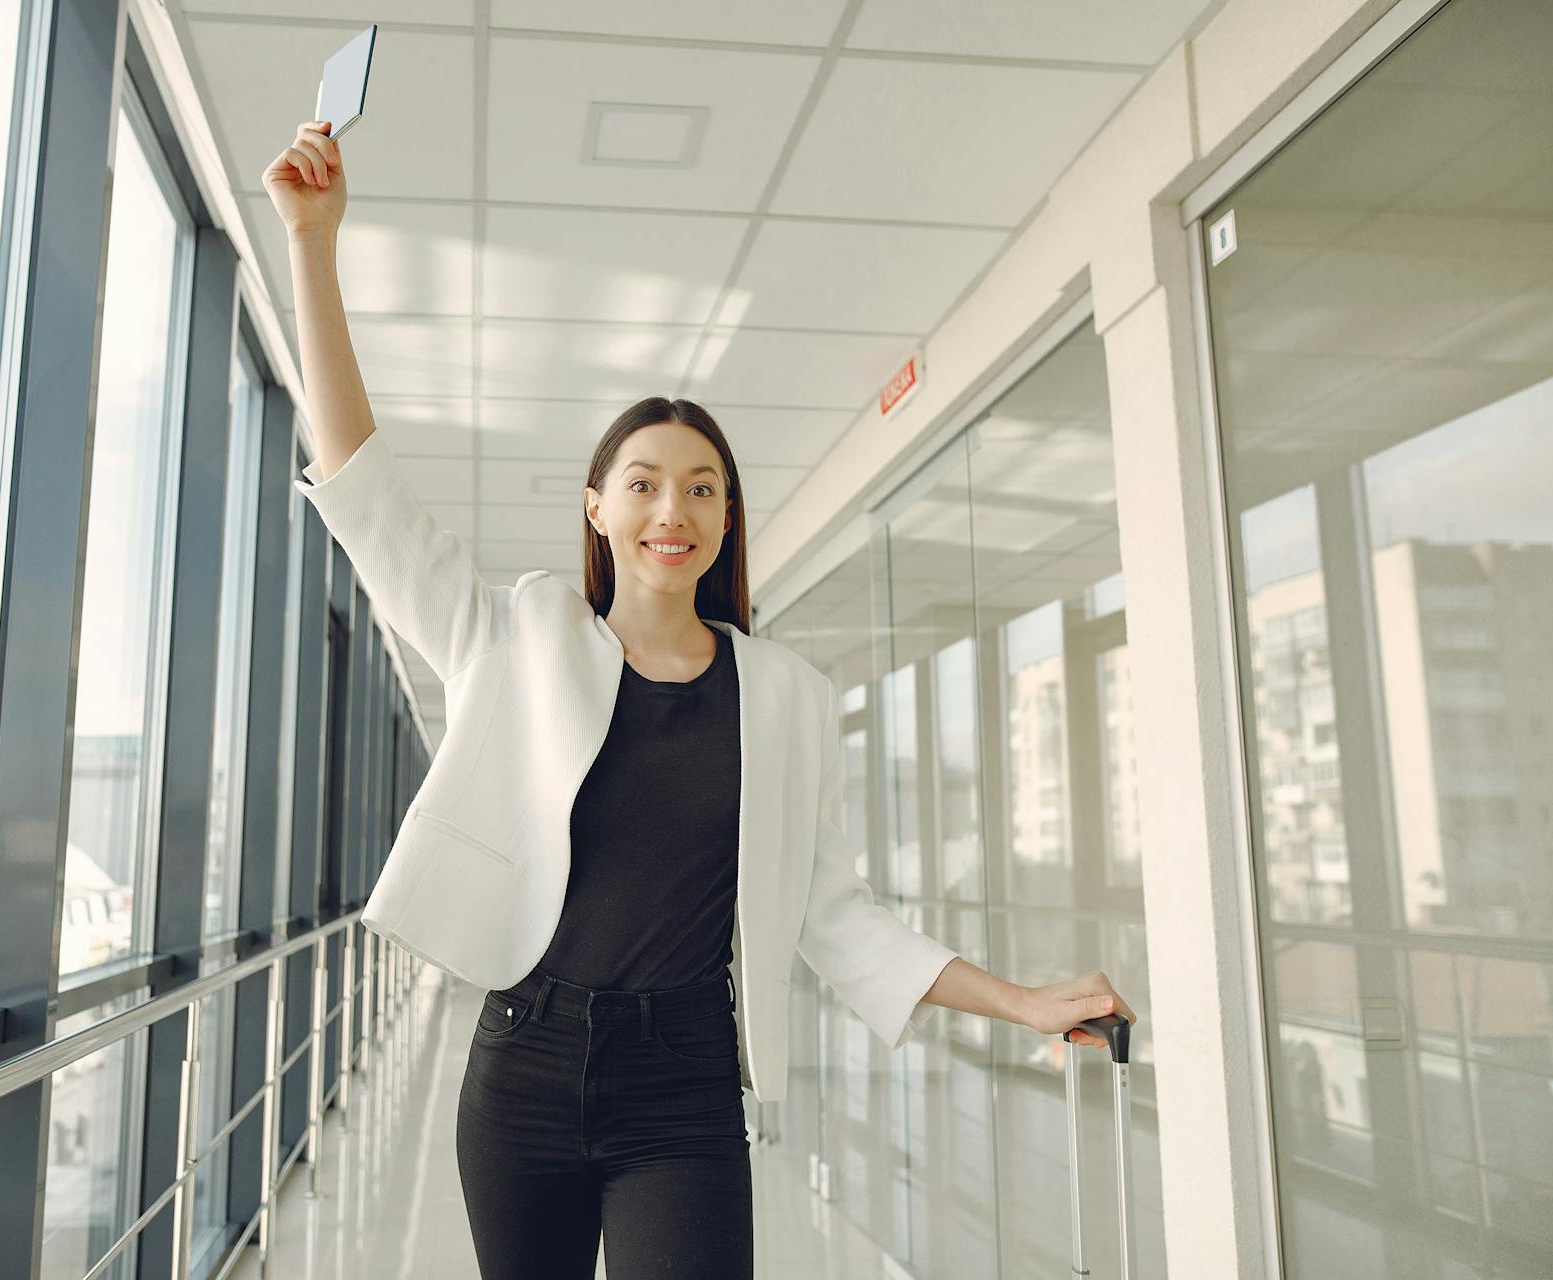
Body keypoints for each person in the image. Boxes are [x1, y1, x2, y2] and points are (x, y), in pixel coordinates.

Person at [265, 120, 1137, 1280]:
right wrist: (313, 248)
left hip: (682, 1085)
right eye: (643, 483)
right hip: (518, 1069)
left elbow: (840, 916)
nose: (671, 507)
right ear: (596, 508)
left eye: (702, 487)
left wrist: (1022, 1001)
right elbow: (365, 495)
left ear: (724, 522)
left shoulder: (782, 696)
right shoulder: (517, 636)